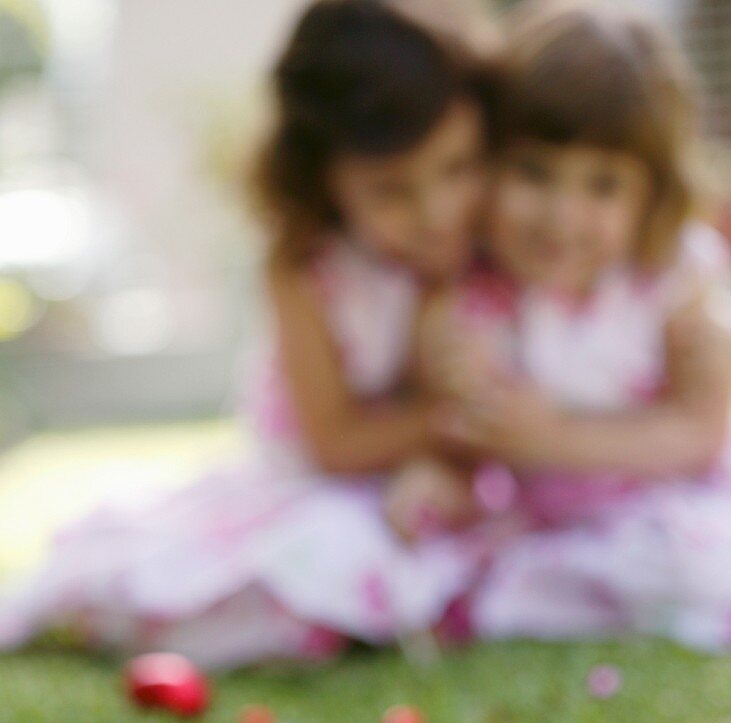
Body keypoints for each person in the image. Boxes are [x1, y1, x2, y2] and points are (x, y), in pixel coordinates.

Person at [0, 0, 495, 667]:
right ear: (325, 181)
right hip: (311, 485)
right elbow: (335, 443)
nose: (435, 213)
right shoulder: (306, 270)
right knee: (309, 556)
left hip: (429, 486)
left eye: (457, 169)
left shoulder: (490, 246)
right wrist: (458, 421)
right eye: (391, 191)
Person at [397, 0, 731, 649]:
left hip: (668, 509)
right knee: (413, 547)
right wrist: (447, 475)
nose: (561, 216)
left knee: (687, 558)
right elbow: (463, 424)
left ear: (650, 194)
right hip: (536, 524)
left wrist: (549, 436)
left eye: (601, 185)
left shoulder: (673, 281)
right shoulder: (476, 298)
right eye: (533, 172)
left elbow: (699, 431)